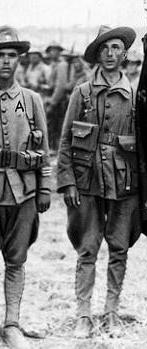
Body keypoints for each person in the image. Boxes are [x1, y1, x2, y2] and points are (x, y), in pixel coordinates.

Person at [57, 25, 139, 338]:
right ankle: (83, 314)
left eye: (116, 47)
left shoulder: (134, 94)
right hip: (86, 180)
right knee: (87, 249)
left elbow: (145, 145)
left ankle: (112, 312)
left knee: (119, 248)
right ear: (97, 54)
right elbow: (65, 139)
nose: (110, 54)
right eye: (104, 48)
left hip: (123, 182)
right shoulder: (82, 92)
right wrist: (68, 183)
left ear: (125, 54)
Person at [0, 26, 51, 348]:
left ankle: (11, 324)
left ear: (19, 60)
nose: (5, 62)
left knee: (16, 260)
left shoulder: (31, 101)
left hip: (24, 193)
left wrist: (45, 187)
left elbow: (44, 147)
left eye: (11, 56)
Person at [45, 41, 69, 151]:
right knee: (53, 126)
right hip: (55, 98)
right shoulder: (55, 64)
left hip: (59, 100)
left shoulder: (61, 64)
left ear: (59, 52)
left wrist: (53, 103)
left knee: (57, 127)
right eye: (50, 51)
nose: (51, 53)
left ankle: (57, 151)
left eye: (54, 50)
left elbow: (60, 86)